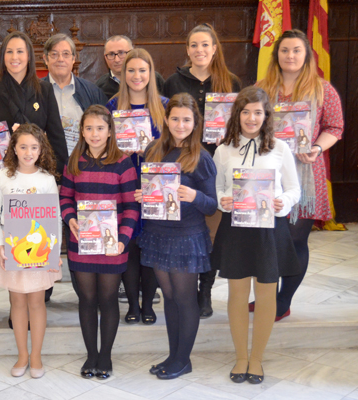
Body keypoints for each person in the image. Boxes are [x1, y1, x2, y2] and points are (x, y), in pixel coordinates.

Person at [212, 86, 300, 384]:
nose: (252, 118)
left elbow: (294, 189)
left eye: (258, 112)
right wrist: (223, 199)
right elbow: (218, 187)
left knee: (265, 294)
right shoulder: (223, 149)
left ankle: (257, 359)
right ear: (237, 114)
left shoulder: (280, 148)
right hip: (236, 229)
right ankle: (241, 357)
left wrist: (283, 201)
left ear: (266, 116)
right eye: (246, 112)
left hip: (269, 230)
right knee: (237, 294)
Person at [256, 29, 344, 320]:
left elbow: (335, 127)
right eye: (284, 50)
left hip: (306, 172)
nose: (290, 56)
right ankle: (267, 296)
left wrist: (317, 148)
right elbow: (247, 122)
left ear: (306, 55)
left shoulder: (323, 89)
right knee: (267, 241)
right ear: (277, 55)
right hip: (266, 174)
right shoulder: (261, 89)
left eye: (296, 50)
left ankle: (283, 300)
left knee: (294, 241)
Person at [135, 93, 217, 379]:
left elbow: (212, 205)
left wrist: (194, 196)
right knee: (169, 297)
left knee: (184, 299)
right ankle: (174, 356)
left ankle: (183, 360)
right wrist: (142, 196)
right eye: (175, 119)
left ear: (195, 123)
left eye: (186, 120)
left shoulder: (201, 157)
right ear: (166, 120)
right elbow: (150, 189)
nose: (180, 125)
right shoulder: (153, 150)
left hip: (186, 236)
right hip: (158, 233)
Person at [163, 23, 242, 319]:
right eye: (194, 45)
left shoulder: (230, 81)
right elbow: (166, 122)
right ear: (187, 50)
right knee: (187, 230)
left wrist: (229, 134)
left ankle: (204, 288)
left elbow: (241, 121)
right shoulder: (173, 82)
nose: (200, 50)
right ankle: (185, 283)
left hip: (217, 164)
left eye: (205, 44)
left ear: (214, 48)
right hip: (182, 165)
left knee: (212, 232)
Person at [60, 105, 140, 379]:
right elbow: (65, 198)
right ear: (82, 131)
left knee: (107, 299)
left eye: (100, 128)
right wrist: (70, 218)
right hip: (81, 243)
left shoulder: (123, 163)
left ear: (110, 131)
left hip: (112, 245)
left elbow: (131, 207)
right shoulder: (74, 161)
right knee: (87, 299)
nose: (94, 134)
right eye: (89, 128)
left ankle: (105, 355)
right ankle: (91, 354)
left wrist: (124, 240)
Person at [0, 124, 62, 379]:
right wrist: (0, 246)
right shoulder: (2, 176)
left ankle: (36, 356)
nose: (28, 152)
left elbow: (55, 218)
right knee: (17, 302)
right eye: (23, 147)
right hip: (11, 250)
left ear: (41, 150)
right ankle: (22, 355)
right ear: (14, 149)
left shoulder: (46, 179)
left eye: (34, 147)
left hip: (40, 251)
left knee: (37, 302)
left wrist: (54, 253)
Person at [41, 33, 108, 300]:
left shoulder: (91, 91)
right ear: (45, 59)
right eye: (54, 54)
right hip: (44, 175)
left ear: (74, 58)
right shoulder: (34, 90)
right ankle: (41, 291)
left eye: (66, 54)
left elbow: (103, 130)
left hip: (83, 174)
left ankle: (86, 294)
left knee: (79, 229)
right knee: (42, 231)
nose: (60, 59)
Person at [105, 48, 167, 325]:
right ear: (123, 73)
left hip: (156, 185)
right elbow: (103, 145)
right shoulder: (112, 106)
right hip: (124, 183)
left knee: (150, 244)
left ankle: (149, 303)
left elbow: (174, 146)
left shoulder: (164, 106)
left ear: (151, 73)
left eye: (142, 70)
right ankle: (132, 303)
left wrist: (150, 150)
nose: (136, 75)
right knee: (128, 243)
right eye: (131, 70)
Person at [0, 31, 69, 181]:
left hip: (39, 173)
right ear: (2, 57)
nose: (14, 57)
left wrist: (60, 178)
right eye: (9, 52)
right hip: (1, 174)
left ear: (29, 56)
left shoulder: (44, 90)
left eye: (20, 51)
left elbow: (57, 137)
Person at [95, 35, 165, 99]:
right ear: (105, 58)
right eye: (111, 54)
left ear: (132, 53)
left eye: (121, 53)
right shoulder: (100, 87)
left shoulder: (154, 79)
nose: (117, 60)